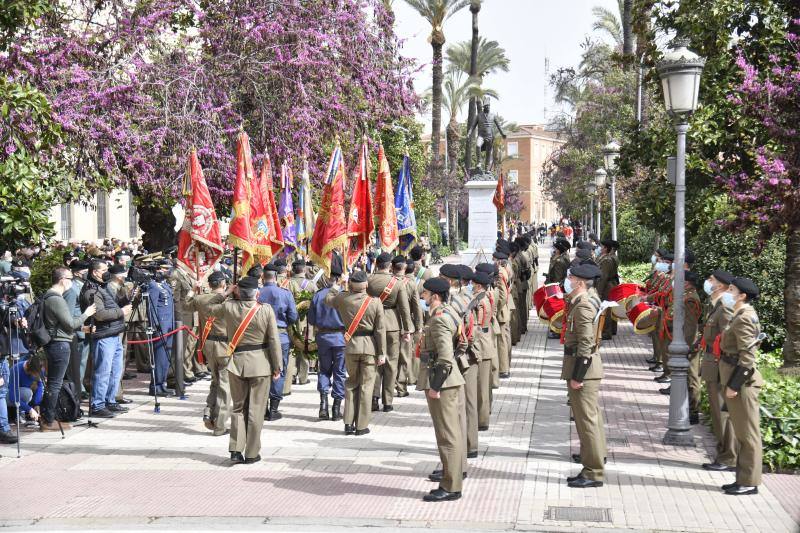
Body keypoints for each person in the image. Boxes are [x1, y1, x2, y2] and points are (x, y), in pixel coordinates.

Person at [210, 276, 282, 465]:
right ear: (257, 293)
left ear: (238, 292)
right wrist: (277, 367)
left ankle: (235, 449)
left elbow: (208, 307)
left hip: (236, 363)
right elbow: (274, 340)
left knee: (239, 408)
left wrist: (225, 293)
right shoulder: (266, 310)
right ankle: (251, 452)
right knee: (256, 410)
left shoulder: (230, 307)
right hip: (260, 364)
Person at [418, 277, 466, 502]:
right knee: (451, 433)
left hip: (443, 382)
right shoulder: (449, 312)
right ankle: (451, 480)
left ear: (435, 296)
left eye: (425, 294)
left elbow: (446, 357)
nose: (423, 297)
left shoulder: (439, 320)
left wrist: (435, 386)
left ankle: (450, 486)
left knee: (447, 436)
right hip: (450, 379)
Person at [324, 270, 386, 435]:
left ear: (351, 284)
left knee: (351, 383)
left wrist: (338, 285)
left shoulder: (343, 298)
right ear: (366, 284)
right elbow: (380, 330)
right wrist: (382, 353)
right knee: (366, 386)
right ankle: (361, 425)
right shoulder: (375, 302)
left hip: (351, 346)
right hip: (370, 347)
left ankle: (348, 423)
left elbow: (328, 299)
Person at [718, 277, 764, 496]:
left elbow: (747, 357)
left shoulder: (744, 317)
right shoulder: (741, 314)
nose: (728, 292)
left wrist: (734, 385)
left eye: (732, 289)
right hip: (734, 377)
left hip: (742, 383)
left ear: (742, 295)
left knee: (748, 434)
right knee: (743, 433)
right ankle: (742, 479)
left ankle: (749, 482)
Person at [562, 263, 606, 488]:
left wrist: (577, 375)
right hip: (586, 369)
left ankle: (593, 472)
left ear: (579, 282)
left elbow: (586, 344)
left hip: (584, 371)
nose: (567, 280)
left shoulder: (583, 305)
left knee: (586, 423)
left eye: (570, 278)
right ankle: (592, 466)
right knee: (591, 420)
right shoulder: (586, 299)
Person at [42, 267, 97, 430]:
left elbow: (63, 324)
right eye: (70, 278)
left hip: (56, 342)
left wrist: (82, 329)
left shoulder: (50, 296)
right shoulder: (56, 299)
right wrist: (86, 313)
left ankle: (47, 417)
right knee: (55, 383)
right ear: (62, 280)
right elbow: (70, 323)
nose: (72, 282)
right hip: (59, 344)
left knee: (54, 382)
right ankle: (48, 420)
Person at [80, 260, 132, 418]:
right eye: (104, 269)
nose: (107, 272)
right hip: (103, 335)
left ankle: (110, 401)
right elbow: (100, 314)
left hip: (114, 333)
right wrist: (122, 312)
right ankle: (97, 405)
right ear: (95, 272)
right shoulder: (91, 290)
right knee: (102, 372)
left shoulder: (103, 287)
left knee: (115, 371)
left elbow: (113, 305)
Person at [699, 269, 737, 471]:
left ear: (720, 285)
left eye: (711, 280)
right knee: (717, 411)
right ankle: (722, 453)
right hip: (712, 364)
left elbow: (728, 340)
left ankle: (728, 457)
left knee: (722, 412)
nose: (708, 282)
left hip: (719, 365)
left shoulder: (725, 308)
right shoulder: (715, 306)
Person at [367, 253, 411, 413]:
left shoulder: (369, 280)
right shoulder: (397, 283)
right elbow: (405, 309)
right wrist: (407, 329)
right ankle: (388, 401)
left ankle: (373, 398)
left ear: (376, 264)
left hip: (372, 323)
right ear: (390, 266)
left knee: (375, 362)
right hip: (392, 324)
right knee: (391, 364)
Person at [187, 271, 229, 436]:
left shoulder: (201, 298)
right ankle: (219, 425)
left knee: (215, 381)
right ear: (223, 283)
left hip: (207, 344)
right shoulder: (228, 300)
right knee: (225, 386)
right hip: (225, 345)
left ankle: (208, 412)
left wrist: (193, 288)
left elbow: (185, 304)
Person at [258, 264, 298, 421]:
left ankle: (262, 407)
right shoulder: (284, 293)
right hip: (280, 336)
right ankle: (274, 409)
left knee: (262, 371)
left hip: (260, 337)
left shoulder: (257, 293)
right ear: (275, 277)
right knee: (278, 370)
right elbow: (293, 317)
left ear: (263, 277)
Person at [307, 263, 346, 421]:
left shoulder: (318, 295)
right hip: (340, 338)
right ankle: (336, 408)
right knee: (339, 372)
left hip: (323, 337)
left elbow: (311, 319)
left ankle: (323, 405)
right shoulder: (344, 294)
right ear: (338, 278)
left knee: (323, 370)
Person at [146, 260, 175, 397]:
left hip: (169, 325)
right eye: (165, 268)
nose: (168, 270)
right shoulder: (152, 285)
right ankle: (155, 385)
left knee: (165, 357)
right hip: (160, 326)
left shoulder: (164, 284)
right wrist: (155, 325)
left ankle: (162, 383)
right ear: (158, 269)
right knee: (159, 357)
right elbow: (151, 308)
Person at [396, 258, 423, 397]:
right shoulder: (411, 284)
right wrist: (419, 326)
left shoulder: (389, 282)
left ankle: (384, 391)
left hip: (388, 325)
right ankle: (401, 388)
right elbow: (417, 307)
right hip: (406, 325)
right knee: (404, 358)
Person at [288, 260, 317, 386]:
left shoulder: (287, 283)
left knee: (292, 348)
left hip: (290, 321)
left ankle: (292, 375)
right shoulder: (310, 285)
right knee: (304, 347)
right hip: (305, 321)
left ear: (293, 270)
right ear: (304, 270)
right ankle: (303, 377)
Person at [6, 355, 45, 426]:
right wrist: (29, 409)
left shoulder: (39, 368)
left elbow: (40, 385)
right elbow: (13, 397)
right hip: (7, 395)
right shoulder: (16, 370)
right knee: (27, 393)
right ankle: (20, 413)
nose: (35, 376)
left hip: (20, 393)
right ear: (27, 368)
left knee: (29, 391)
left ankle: (23, 412)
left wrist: (37, 404)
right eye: (33, 374)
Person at [596, 239, 620, 340]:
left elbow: (604, 277)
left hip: (606, 286)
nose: (600, 248)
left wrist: (599, 291)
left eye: (601, 246)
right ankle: (606, 330)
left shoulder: (607, 260)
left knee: (605, 308)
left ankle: (606, 332)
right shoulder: (604, 257)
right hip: (606, 285)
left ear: (606, 248)